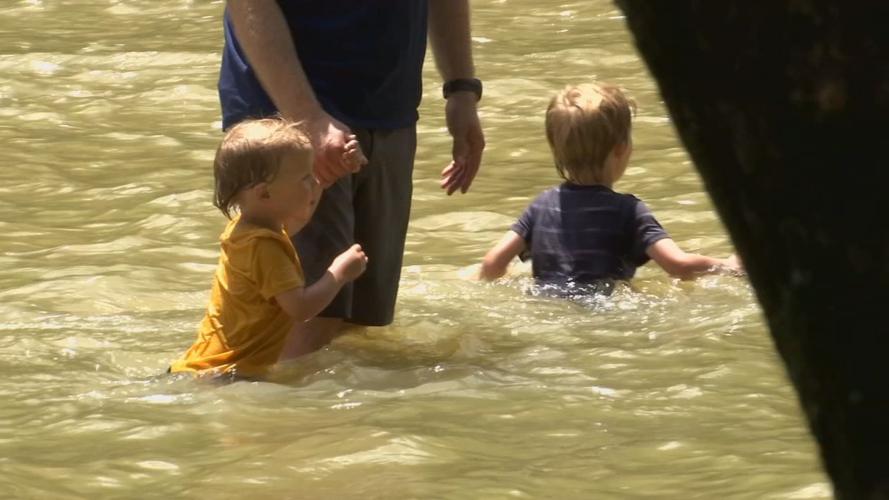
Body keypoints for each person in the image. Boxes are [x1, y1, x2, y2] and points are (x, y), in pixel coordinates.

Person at [220, 1, 485, 358]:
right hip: (289, 116)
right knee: (307, 321)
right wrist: (308, 118)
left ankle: (339, 415)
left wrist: (461, 88)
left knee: (363, 326)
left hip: (391, 109)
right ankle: (274, 412)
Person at [479, 83, 741, 292]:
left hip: (546, 303)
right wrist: (729, 266)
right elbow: (678, 265)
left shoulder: (541, 205)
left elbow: (491, 265)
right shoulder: (629, 210)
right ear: (621, 149)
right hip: (601, 311)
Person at [169, 118, 368, 379]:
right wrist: (339, 273)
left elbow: (300, 215)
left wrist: (330, 175)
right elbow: (300, 309)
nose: (314, 184)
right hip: (226, 376)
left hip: (205, 368)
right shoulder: (265, 247)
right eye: (305, 177)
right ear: (264, 194)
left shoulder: (246, 229)